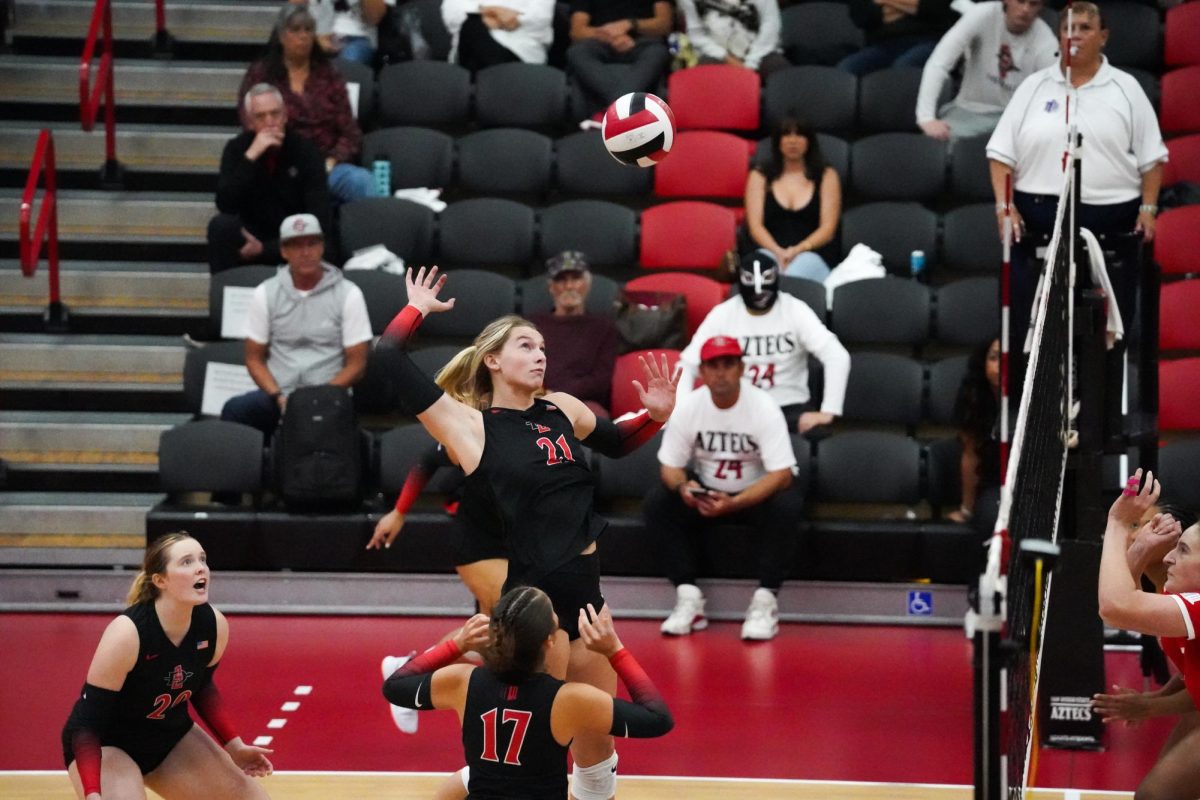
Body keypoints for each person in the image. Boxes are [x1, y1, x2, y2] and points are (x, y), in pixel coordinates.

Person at [371, 265, 678, 797]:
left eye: (542, 347)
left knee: (596, 755)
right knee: (529, 753)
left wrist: (653, 417)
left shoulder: (562, 408)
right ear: (493, 359)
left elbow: (618, 441)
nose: (540, 354)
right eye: (525, 345)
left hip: (588, 601)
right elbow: (387, 357)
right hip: (533, 605)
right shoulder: (469, 426)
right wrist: (416, 307)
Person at [986, 1, 1167, 346]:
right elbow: (999, 154)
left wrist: (1148, 208)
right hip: (1041, 217)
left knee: (1110, 334)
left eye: (1084, 28)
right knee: (1030, 330)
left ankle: (1107, 388)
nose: (1075, 35)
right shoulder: (1033, 87)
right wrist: (1004, 206)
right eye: (1068, 28)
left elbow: (1153, 158)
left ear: (1103, 36)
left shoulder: (1126, 89)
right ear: (1058, 36)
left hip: (1111, 218)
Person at [382, 587, 673, 800]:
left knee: (470, 777)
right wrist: (615, 651)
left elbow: (394, 686)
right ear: (550, 642)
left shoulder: (463, 682)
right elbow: (657, 718)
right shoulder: (569, 699)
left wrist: (456, 645)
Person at [61, 532, 273, 800]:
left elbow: (202, 687)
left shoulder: (213, 624)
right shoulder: (128, 633)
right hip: (108, 745)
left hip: (168, 737)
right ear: (160, 580)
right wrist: (93, 792)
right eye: (186, 562)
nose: (200, 567)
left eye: (202, 559)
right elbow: (86, 725)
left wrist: (235, 745)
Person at [644, 335, 802, 641]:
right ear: (701, 372)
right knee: (658, 501)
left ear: (741, 368)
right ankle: (689, 597)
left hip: (753, 493)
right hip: (707, 492)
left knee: (788, 504)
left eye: (728, 364)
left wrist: (736, 502)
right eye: (713, 365)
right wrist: (684, 488)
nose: (721, 372)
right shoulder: (690, 406)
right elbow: (670, 466)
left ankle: (765, 602)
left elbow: (782, 474)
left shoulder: (764, 407)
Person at [1096, 470, 1200, 797]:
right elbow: (1192, 672)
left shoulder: (1195, 603)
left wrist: (1117, 522)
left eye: (1140, 525)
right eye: (1135, 525)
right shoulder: (1173, 596)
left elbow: (1115, 605)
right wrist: (1151, 699)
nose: (1135, 532)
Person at [220, 213, 372, 436]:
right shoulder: (266, 293)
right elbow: (254, 358)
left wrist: (319, 396)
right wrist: (278, 396)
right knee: (236, 410)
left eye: (312, 244)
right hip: (280, 394)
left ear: (322, 247)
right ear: (284, 251)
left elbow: (357, 363)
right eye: (297, 245)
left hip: (329, 394)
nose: (306, 252)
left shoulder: (348, 293)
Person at [679, 250, 851, 437]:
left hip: (789, 407)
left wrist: (828, 411)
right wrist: (682, 413)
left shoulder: (795, 310)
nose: (759, 291)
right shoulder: (723, 314)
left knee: (816, 434)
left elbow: (837, 356)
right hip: (737, 408)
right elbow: (687, 365)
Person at [238, 4, 379, 205]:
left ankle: (376, 237)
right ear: (280, 36)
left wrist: (331, 162)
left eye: (308, 30)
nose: (303, 37)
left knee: (361, 181)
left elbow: (350, 133)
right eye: (295, 30)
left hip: (327, 167)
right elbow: (250, 123)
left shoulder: (330, 75)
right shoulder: (261, 75)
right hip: (279, 165)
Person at [208, 84, 331, 274]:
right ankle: (225, 295)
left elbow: (319, 215)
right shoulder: (237, 149)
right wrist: (251, 157)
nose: (270, 122)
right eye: (261, 116)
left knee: (321, 233)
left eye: (275, 114)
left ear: (285, 116)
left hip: (294, 235)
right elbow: (225, 204)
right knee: (220, 226)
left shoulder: (306, 151)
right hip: (250, 236)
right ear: (249, 122)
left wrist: (266, 249)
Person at [915, 0, 1057, 142]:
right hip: (969, 111)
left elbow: (1056, 94)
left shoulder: (1046, 41)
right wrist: (926, 118)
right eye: (1020, 1)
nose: (1025, 9)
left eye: (1033, 4)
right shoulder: (981, 15)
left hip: (1014, 120)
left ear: (1041, 7)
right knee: (935, 142)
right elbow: (939, 63)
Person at [744, 115, 842, 281]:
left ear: (809, 141)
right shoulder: (759, 175)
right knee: (762, 270)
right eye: (786, 135)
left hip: (812, 253)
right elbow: (755, 227)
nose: (793, 141)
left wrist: (797, 250)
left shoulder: (826, 175)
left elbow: (828, 229)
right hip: (769, 250)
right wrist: (778, 251)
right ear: (778, 141)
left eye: (799, 135)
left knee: (792, 277)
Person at [527, 251, 621, 419]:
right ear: (551, 286)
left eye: (576, 279)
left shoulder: (604, 328)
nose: (569, 286)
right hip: (534, 398)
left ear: (587, 284)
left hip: (582, 404)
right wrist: (541, 394)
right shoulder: (531, 326)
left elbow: (601, 380)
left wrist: (556, 395)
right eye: (561, 280)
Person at [566, 0, 673, 115]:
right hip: (599, 41)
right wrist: (612, 37)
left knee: (658, 52)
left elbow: (664, 25)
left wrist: (629, 24)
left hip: (643, 41)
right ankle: (620, 109)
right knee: (576, 52)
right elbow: (577, 31)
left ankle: (611, 112)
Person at [948, 338, 1001, 536]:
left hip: (1028, 483)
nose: (999, 366)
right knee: (989, 517)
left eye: (1004, 359)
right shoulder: (974, 397)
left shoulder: (1030, 395)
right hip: (993, 483)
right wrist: (966, 509)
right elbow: (970, 456)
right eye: (993, 358)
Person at [838, 0, 957, 76]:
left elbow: (936, 9)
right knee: (846, 69)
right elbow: (863, 16)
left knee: (902, 69)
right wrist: (912, 6)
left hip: (929, 40)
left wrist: (885, 2)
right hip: (883, 45)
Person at [676, 0, 790, 77]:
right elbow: (696, 34)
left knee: (781, 74)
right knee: (704, 77)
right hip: (718, 54)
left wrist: (751, 63)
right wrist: (726, 57)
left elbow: (770, 24)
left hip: (761, 52)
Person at [441, 0, 556, 70]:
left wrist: (518, 21)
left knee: (473, 24)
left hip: (523, 53)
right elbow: (452, 15)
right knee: (472, 25)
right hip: (470, 49)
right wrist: (495, 13)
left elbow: (541, 19)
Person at [295, 0, 387, 65]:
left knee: (346, 67)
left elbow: (374, 18)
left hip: (356, 37)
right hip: (313, 33)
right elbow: (293, 11)